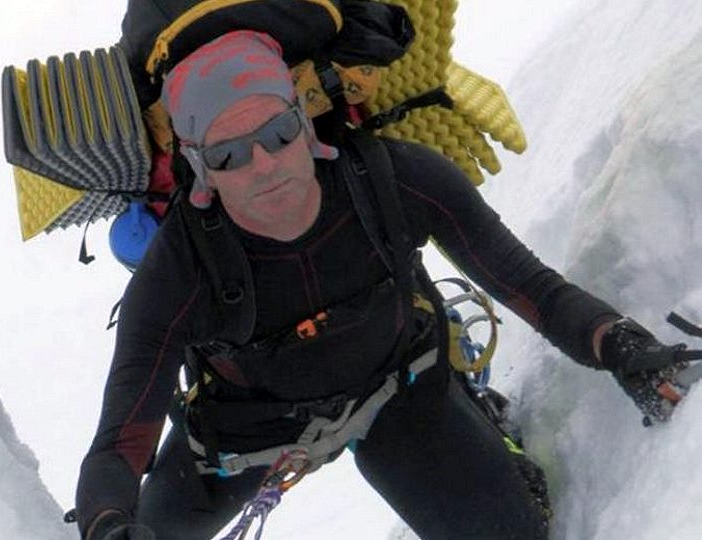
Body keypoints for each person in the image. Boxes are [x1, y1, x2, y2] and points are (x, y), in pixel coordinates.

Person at [74, 29, 690, 540]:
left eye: (278, 134)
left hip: (399, 390)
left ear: (306, 125)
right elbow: (118, 441)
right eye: (230, 155)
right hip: (242, 434)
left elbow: (528, 284)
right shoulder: (178, 269)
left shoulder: (392, 181)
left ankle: (479, 419)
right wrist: (107, 524)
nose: (263, 165)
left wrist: (617, 343)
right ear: (197, 168)